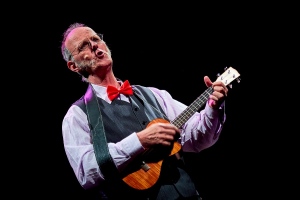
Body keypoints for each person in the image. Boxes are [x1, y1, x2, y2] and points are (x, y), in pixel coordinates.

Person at [61, 22, 229, 200]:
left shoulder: (153, 94)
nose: (94, 45)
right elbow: (86, 172)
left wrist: (213, 108)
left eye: (95, 39)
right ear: (74, 66)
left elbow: (197, 139)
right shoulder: (77, 115)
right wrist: (140, 140)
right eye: (83, 46)